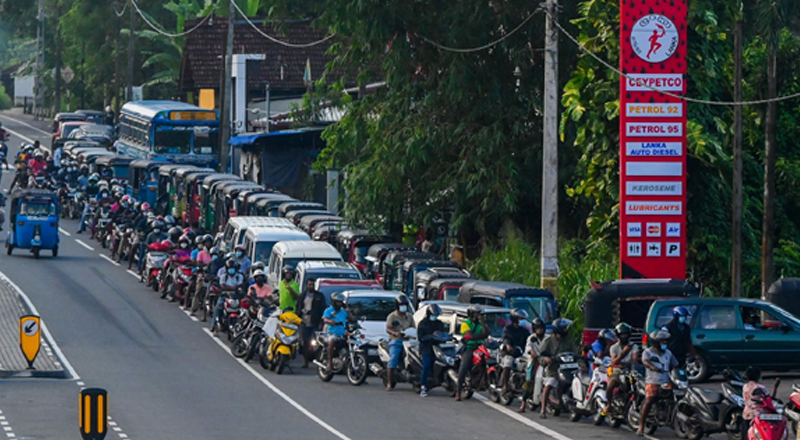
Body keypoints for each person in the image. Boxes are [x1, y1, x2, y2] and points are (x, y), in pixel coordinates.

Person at [639, 330, 678, 436]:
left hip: (666, 381)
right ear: (656, 342)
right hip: (653, 382)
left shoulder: (668, 353)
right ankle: (641, 426)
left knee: (676, 398)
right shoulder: (648, 352)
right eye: (662, 341)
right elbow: (645, 361)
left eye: (666, 341)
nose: (665, 343)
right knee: (650, 400)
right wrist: (653, 367)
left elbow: (675, 364)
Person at [538, 318, 579, 418]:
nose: (565, 329)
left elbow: (575, 352)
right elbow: (541, 356)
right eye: (563, 328)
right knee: (549, 385)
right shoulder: (548, 341)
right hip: (553, 369)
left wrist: (580, 360)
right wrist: (547, 360)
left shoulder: (568, 340)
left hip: (568, 368)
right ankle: (543, 410)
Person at [601, 322, 640, 417]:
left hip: (630, 370)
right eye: (622, 334)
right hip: (618, 371)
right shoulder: (613, 348)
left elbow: (634, 359)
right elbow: (614, 362)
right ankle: (609, 404)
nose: (624, 336)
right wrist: (624, 352)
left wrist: (633, 364)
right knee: (611, 385)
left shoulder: (634, 346)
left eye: (626, 334)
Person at [455, 305, 489, 401]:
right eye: (476, 313)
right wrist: (480, 336)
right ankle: (458, 392)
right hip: (469, 348)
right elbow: (470, 336)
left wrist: (482, 322)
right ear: (471, 314)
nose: (478, 315)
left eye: (479, 313)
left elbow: (486, 334)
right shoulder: (465, 324)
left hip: (480, 347)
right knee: (464, 368)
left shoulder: (480, 324)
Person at [384, 294, 415, 391]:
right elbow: (388, 329)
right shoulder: (392, 316)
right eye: (402, 305)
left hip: (408, 341)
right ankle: (389, 382)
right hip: (396, 341)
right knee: (393, 359)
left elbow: (413, 328)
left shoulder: (409, 316)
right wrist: (395, 333)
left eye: (405, 305)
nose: (404, 307)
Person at [519, 318, 548, 413]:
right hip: (534, 360)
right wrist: (531, 351)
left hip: (545, 360)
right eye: (537, 328)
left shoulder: (547, 338)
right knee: (529, 380)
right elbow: (528, 347)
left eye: (540, 328)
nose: (539, 330)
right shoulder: (531, 338)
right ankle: (523, 404)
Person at [210, 258, 244, 337]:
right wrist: (232, 288)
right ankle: (214, 326)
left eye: (232, 268)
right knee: (219, 306)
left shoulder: (239, 276)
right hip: (225, 296)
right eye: (229, 269)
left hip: (236, 296)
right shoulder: (223, 276)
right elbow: (222, 286)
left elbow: (240, 286)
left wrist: (229, 288)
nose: (231, 270)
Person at [417, 304, 445, 397]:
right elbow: (420, 338)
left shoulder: (439, 323)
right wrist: (430, 336)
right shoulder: (423, 324)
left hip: (438, 347)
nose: (435, 317)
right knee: (426, 365)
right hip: (426, 348)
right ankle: (423, 386)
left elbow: (443, 334)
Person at [500, 309, 531, 394]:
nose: (522, 320)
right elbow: (506, 338)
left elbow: (530, 339)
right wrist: (508, 345)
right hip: (509, 353)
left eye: (523, 318)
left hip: (521, 353)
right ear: (514, 319)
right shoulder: (508, 328)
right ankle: (505, 385)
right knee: (508, 364)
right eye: (520, 318)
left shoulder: (524, 331)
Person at [299, 277, 326, 368]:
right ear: (306, 285)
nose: (311, 286)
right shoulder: (303, 295)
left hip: (315, 322)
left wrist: (321, 322)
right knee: (305, 343)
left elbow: (322, 309)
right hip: (304, 322)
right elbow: (298, 307)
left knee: (317, 343)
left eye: (312, 285)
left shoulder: (319, 296)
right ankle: (305, 362)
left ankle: (317, 360)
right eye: (309, 285)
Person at [322, 292, 350, 372]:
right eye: (337, 302)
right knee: (332, 340)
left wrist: (348, 310)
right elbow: (325, 319)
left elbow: (352, 318)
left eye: (340, 302)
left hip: (343, 333)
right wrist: (330, 322)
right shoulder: (328, 310)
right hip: (332, 333)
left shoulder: (343, 311)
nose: (339, 303)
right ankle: (329, 363)